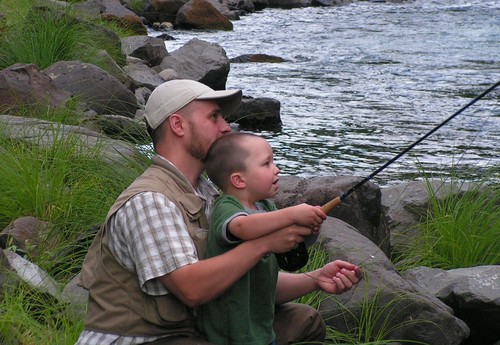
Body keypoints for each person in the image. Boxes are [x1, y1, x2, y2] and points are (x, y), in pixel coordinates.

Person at [76, 79, 362, 345]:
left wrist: (315, 279)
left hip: (197, 330)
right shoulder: (150, 201)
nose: (226, 127)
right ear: (178, 125)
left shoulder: (209, 193)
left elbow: (243, 285)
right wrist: (264, 243)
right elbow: (192, 289)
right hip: (145, 339)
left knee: (303, 321)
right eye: (214, 117)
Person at [198, 132, 330, 345]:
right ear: (239, 180)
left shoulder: (266, 207)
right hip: (229, 334)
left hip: (262, 329)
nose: (276, 168)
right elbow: (242, 226)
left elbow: (287, 244)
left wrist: (307, 229)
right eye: (266, 163)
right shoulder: (226, 206)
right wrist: (291, 214)